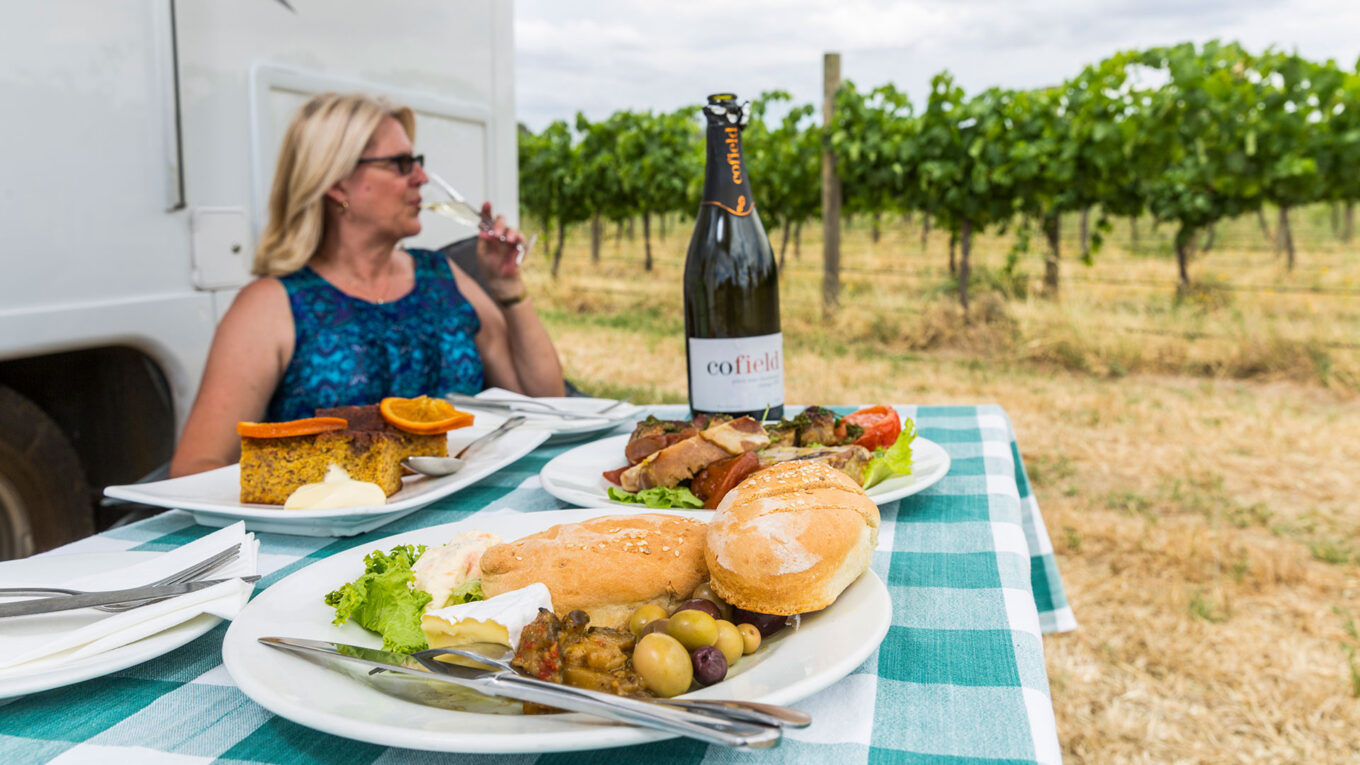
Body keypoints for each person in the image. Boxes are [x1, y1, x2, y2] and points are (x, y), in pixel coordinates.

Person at [169, 92, 564, 477]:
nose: (422, 178)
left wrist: (508, 288)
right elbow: (194, 469)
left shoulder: (441, 277)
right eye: (402, 164)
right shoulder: (271, 305)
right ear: (338, 184)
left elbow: (546, 403)